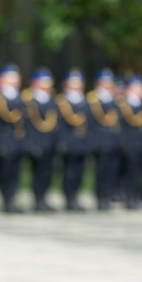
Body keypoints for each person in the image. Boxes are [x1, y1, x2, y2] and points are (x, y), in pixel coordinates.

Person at [0, 64, 26, 213]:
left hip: (17, 141)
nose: (15, 82)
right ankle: (6, 199)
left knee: (16, 172)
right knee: (4, 172)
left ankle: (12, 198)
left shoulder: (21, 98)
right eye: (11, 79)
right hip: (4, 141)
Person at [22, 67, 59, 211]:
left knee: (47, 172)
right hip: (35, 142)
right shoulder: (28, 101)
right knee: (35, 173)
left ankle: (43, 197)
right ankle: (37, 198)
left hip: (50, 143)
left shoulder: (53, 101)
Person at [87, 68, 121, 210]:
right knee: (101, 170)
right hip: (100, 140)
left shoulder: (114, 99)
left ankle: (108, 195)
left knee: (111, 170)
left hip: (112, 140)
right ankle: (100, 196)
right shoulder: (94, 99)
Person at [55, 69, 90, 211]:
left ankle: (75, 195)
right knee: (68, 171)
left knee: (80, 171)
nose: (77, 86)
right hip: (69, 143)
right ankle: (69, 197)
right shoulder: (62, 102)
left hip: (82, 142)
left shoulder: (86, 102)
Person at [116, 76, 142, 209]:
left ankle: (135, 196)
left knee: (137, 173)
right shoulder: (123, 105)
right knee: (128, 173)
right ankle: (128, 197)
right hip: (129, 145)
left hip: (140, 144)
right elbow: (120, 128)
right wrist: (124, 145)